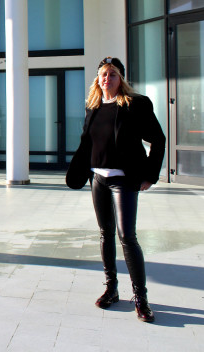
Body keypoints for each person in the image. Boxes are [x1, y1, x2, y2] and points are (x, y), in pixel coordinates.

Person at [66, 57, 165, 323]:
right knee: (104, 233)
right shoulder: (93, 106)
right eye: (103, 74)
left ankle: (141, 299)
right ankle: (111, 289)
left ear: (121, 79)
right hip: (97, 178)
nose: (106, 78)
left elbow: (158, 139)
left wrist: (150, 176)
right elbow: (87, 143)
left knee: (127, 237)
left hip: (124, 180)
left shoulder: (135, 105)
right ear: (97, 79)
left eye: (112, 74)